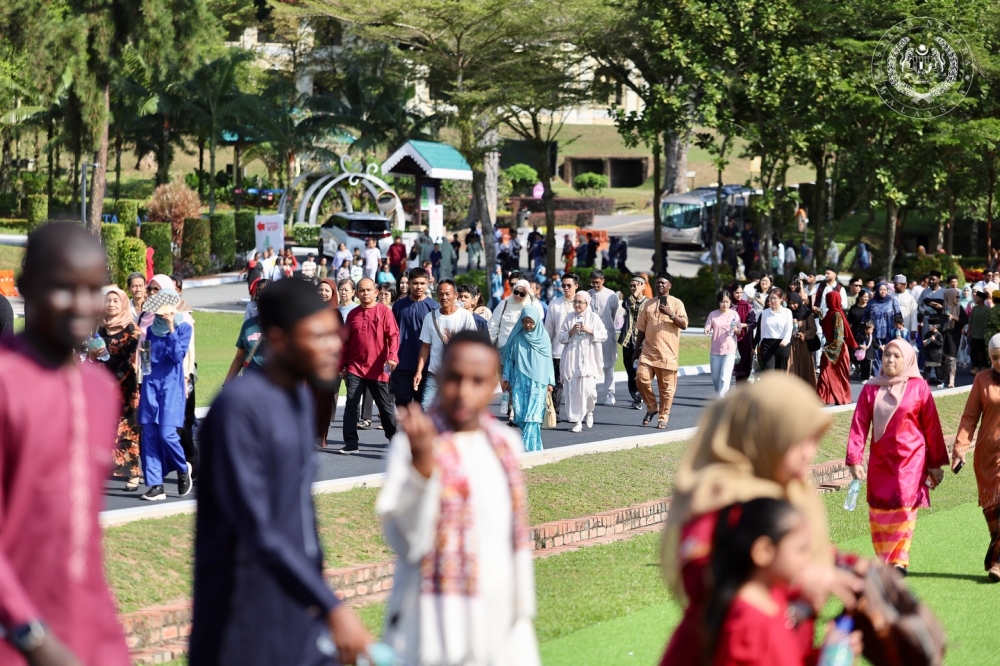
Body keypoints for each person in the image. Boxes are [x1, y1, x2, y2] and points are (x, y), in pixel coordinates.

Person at [190, 279, 372, 666]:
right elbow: (258, 527)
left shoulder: (300, 401)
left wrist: (318, 595)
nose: (333, 346)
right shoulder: (237, 411)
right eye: (317, 336)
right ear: (279, 340)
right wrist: (332, 609)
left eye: (333, 334)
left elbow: (301, 521)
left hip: (297, 612)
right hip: (242, 624)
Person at [658, 374, 863, 666]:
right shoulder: (721, 492)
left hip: (778, 647)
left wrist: (849, 566)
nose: (810, 453)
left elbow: (797, 546)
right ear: (767, 433)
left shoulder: (792, 488)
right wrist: (803, 579)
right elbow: (700, 575)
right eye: (800, 441)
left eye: (814, 441)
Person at [0, 223, 132, 665]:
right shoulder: (6, 383)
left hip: (87, 637)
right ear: (24, 287)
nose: (81, 304)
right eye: (63, 287)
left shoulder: (99, 389)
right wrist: (33, 637)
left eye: (93, 289)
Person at [376, 331, 540, 665]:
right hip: (433, 627)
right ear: (439, 375)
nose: (464, 392)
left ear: (493, 382)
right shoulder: (413, 445)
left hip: (497, 622)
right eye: (454, 378)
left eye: (477, 380)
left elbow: (511, 544)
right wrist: (422, 471)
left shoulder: (504, 444)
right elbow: (407, 542)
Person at [700, 499, 862, 666]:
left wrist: (825, 655)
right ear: (764, 551)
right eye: (801, 549)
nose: (809, 559)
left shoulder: (774, 601)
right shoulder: (746, 623)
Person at [847, 339, 948, 574]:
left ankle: (899, 560)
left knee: (905, 504)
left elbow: (931, 427)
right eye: (887, 356)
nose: (890, 360)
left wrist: (935, 464)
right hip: (881, 461)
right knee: (880, 509)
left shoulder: (919, 387)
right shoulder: (871, 388)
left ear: (907, 359)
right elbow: (859, 425)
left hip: (911, 460)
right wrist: (854, 459)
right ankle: (885, 560)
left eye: (896, 356)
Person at [137, 277, 194, 501]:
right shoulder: (150, 330)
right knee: (149, 434)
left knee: (167, 434)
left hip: (172, 387)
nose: (162, 310)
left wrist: (171, 327)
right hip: (151, 385)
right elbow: (147, 360)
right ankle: (155, 485)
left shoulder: (184, 327)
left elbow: (178, 355)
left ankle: (182, 467)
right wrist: (142, 381)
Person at [953, 333, 1000, 581]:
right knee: (993, 512)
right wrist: (961, 447)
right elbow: (970, 417)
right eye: (995, 357)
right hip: (987, 457)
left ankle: (997, 563)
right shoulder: (982, 380)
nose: (999, 361)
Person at [337, 278, 400, 455]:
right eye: (362, 290)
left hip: (378, 368)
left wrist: (392, 357)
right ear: (356, 294)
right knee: (351, 404)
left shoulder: (385, 312)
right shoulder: (352, 314)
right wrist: (341, 364)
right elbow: (345, 342)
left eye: (369, 290)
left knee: (385, 406)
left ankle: (394, 439)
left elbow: (394, 336)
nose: (365, 293)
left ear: (376, 292)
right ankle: (351, 443)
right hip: (355, 367)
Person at [632, 272, 688, 429]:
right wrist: (637, 350)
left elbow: (684, 324)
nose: (660, 285)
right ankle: (652, 407)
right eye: (658, 283)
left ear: (670, 285)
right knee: (640, 378)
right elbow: (642, 328)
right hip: (648, 352)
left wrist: (670, 313)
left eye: (663, 283)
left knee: (667, 390)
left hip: (668, 354)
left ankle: (663, 416)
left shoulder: (677, 303)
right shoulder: (648, 304)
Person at [100, 287, 143, 490]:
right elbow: (95, 354)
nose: (111, 305)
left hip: (126, 387)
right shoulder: (100, 329)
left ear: (124, 303)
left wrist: (114, 379)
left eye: (116, 301)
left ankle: (134, 474)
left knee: (127, 431)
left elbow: (130, 359)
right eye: (108, 301)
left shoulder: (132, 329)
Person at [414, 280, 476, 410]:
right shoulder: (430, 317)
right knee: (426, 407)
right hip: (434, 373)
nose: (444, 297)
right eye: (441, 294)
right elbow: (425, 347)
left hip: (458, 374)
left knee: (456, 410)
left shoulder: (465, 316)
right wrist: (419, 372)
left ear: (455, 295)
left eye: (448, 294)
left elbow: (473, 345)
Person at [501, 305, 555, 451]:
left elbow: (548, 360)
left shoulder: (544, 338)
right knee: (519, 415)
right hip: (520, 382)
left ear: (537, 321)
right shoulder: (517, 338)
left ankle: (526, 449)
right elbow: (509, 360)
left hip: (538, 383)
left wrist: (550, 381)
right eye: (525, 322)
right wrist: (505, 378)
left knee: (534, 416)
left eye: (530, 322)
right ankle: (536, 448)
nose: (528, 325)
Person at [558, 291, 607, 432]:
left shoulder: (593, 317)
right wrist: (571, 331)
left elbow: (604, 334)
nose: (577, 305)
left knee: (589, 391)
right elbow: (561, 338)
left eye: (580, 302)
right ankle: (577, 421)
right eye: (575, 302)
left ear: (587, 303)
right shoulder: (569, 318)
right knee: (573, 391)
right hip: (572, 359)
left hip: (589, 359)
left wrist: (591, 331)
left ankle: (589, 411)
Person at [390, 267, 439, 407]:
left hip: (426, 366)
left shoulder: (434, 307)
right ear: (409, 283)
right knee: (402, 403)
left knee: (422, 407)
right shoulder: (399, 306)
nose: (419, 287)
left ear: (427, 284)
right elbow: (392, 333)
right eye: (415, 283)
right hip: (402, 364)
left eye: (422, 283)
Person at [817, 291, 856, 405]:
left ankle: (842, 397)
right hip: (830, 346)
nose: (827, 301)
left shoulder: (837, 314)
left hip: (838, 349)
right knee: (824, 373)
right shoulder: (830, 313)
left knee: (839, 375)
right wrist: (819, 314)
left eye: (829, 299)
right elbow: (825, 326)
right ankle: (822, 398)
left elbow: (839, 334)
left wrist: (830, 350)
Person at [588, 269, 621, 405]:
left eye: (597, 282)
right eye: (593, 282)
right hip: (591, 334)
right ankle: (591, 394)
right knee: (591, 364)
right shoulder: (588, 294)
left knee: (608, 364)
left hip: (607, 333)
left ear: (603, 280)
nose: (595, 285)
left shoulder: (611, 295)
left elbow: (614, 314)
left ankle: (610, 394)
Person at [704, 290, 741, 396]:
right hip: (715, 350)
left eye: (727, 302)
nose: (725, 304)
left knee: (724, 377)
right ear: (718, 302)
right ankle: (722, 397)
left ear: (730, 302)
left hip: (729, 350)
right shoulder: (713, 314)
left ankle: (721, 400)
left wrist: (735, 329)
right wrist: (706, 330)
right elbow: (708, 325)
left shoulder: (734, 314)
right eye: (722, 302)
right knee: (716, 378)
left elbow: (739, 331)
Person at [620, 275, 649, 408]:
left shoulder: (649, 303)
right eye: (631, 286)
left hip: (642, 343)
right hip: (627, 342)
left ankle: (641, 396)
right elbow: (626, 305)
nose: (633, 288)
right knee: (630, 371)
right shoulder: (628, 301)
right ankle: (636, 396)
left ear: (643, 286)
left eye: (636, 285)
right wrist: (634, 295)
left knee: (641, 371)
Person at [863, 281, 901, 374]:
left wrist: (899, 328)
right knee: (876, 353)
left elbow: (898, 315)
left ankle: (888, 372)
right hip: (874, 331)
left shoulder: (893, 301)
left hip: (889, 331)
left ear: (888, 291)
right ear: (877, 290)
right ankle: (877, 374)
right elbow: (866, 315)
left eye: (885, 289)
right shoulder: (871, 302)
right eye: (880, 289)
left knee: (888, 352)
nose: (883, 291)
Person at [755, 288, 792, 372]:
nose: (772, 300)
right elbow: (762, 330)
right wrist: (761, 344)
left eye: (775, 298)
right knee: (769, 373)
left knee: (780, 374)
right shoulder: (765, 313)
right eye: (770, 298)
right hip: (767, 345)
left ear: (781, 299)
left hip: (782, 344)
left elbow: (789, 328)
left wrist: (786, 340)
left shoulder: (787, 312)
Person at [786, 292, 818, 389]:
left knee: (805, 368)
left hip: (803, 345)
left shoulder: (806, 313)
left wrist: (803, 335)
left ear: (799, 302)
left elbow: (813, 329)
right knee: (791, 369)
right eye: (790, 303)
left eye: (794, 303)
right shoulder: (786, 313)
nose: (792, 306)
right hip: (790, 345)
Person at [727, 282, 758, 383]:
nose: (739, 295)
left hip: (745, 340)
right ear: (732, 293)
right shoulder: (727, 305)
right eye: (737, 293)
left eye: (741, 293)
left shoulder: (747, 306)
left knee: (745, 365)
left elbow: (753, 323)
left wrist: (741, 325)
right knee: (735, 366)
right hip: (730, 339)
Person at [941, 287, 968, 387]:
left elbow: (965, 320)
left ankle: (952, 380)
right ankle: (944, 379)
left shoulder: (959, 308)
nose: (957, 298)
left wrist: (954, 317)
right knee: (943, 358)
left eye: (958, 297)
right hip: (943, 335)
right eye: (956, 297)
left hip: (954, 336)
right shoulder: (943, 307)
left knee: (952, 358)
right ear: (949, 297)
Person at [969, 290, 990, 372]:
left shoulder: (987, 310)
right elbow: (971, 321)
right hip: (974, 335)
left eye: (977, 297)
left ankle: (985, 366)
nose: (975, 298)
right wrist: (969, 332)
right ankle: (976, 367)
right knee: (974, 351)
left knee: (984, 352)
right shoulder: (974, 309)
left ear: (981, 299)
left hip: (983, 335)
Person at [893, 274, 918, 341]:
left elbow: (914, 314)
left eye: (896, 284)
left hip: (907, 326)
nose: (894, 286)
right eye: (894, 284)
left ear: (904, 285)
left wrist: (913, 329)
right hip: (893, 327)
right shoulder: (890, 296)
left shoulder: (910, 298)